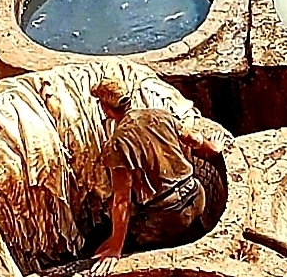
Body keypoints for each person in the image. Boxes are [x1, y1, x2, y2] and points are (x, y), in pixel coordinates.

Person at [89, 78, 207, 259]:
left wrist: (116, 246)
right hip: (196, 196)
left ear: (105, 108)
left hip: (167, 217)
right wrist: (213, 148)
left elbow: (122, 201)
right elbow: (194, 140)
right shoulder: (160, 115)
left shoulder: (117, 144)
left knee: (105, 245)